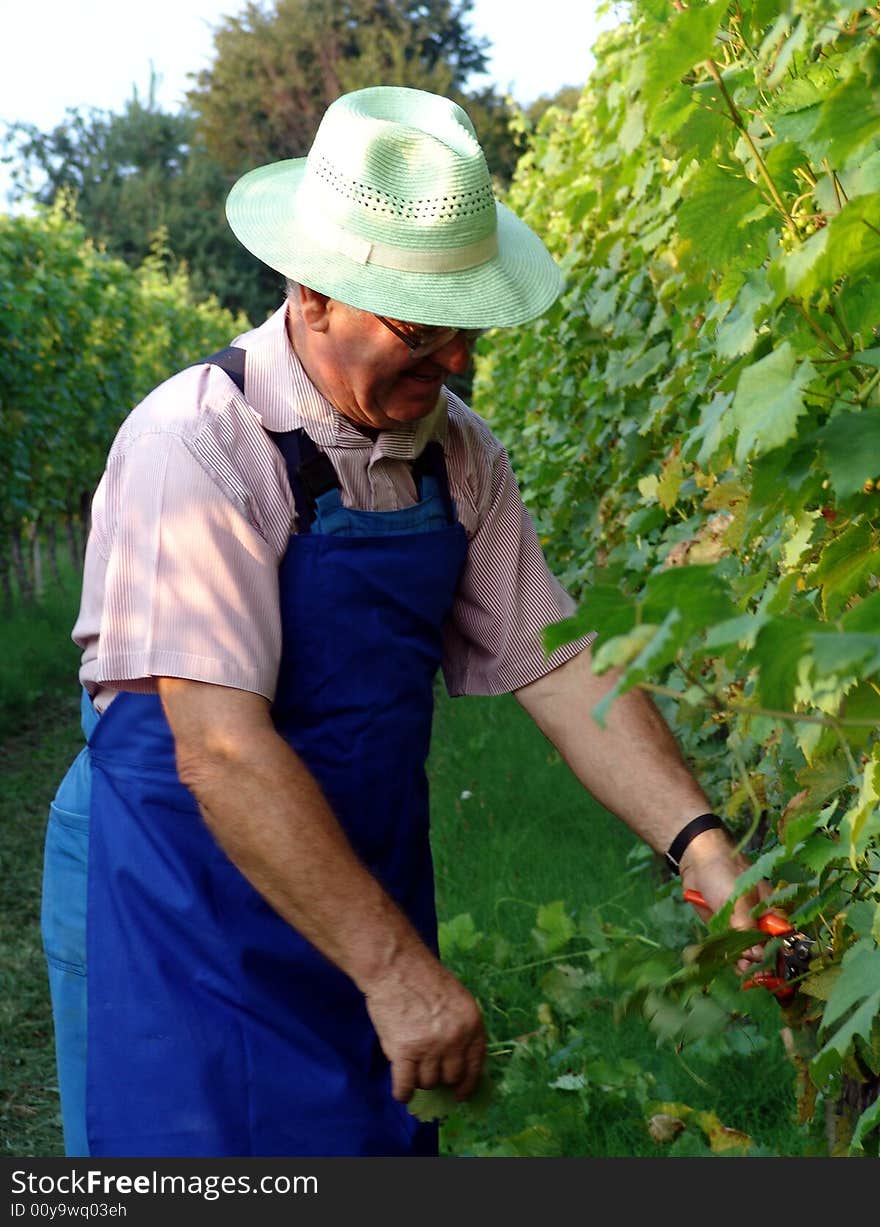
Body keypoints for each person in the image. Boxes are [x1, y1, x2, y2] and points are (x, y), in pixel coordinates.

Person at [42, 85, 765, 1159]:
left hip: (353, 870)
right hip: (176, 888)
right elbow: (222, 750)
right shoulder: (197, 446)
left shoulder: (458, 452)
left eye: (467, 334)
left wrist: (703, 849)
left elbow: (558, 666)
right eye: (424, 333)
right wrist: (395, 973)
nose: (458, 366)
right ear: (314, 293)